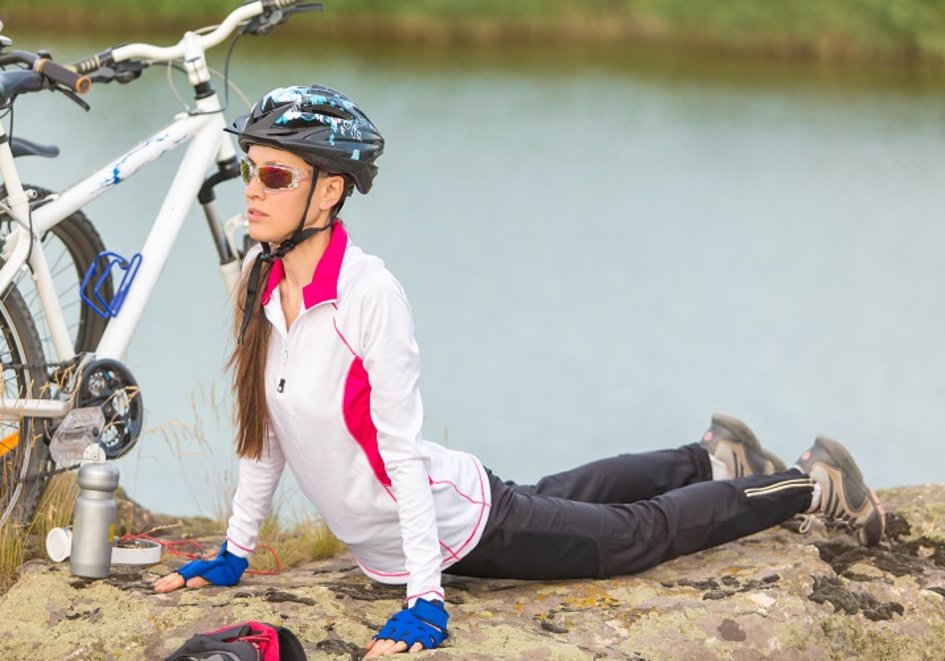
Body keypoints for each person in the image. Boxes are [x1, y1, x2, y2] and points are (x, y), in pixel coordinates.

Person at [152, 84, 886, 657]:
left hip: (458, 524)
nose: (253, 188)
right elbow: (266, 429)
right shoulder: (260, 276)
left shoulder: (368, 296)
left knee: (630, 537)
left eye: (275, 174)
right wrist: (234, 551)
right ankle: (710, 454)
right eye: (251, 169)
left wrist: (427, 596)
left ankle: (811, 482)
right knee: (554, 497)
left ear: (331, 190)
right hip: (432, 515)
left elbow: (400, 456)